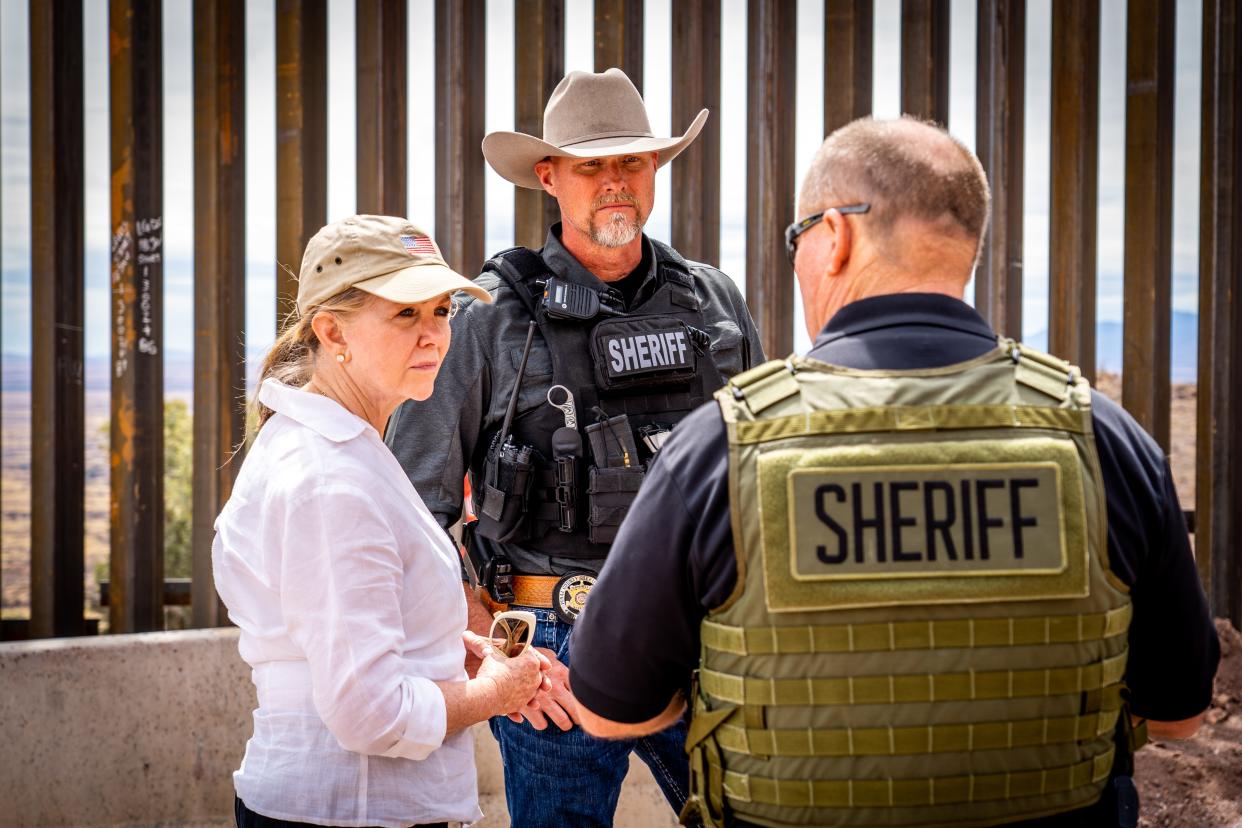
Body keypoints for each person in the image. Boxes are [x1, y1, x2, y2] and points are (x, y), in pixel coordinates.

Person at [569, 117, 1221, 828]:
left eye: (797, 241)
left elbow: (609, 707)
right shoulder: (1104, 440)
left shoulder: (719, 449)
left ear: (835, 237)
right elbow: (1180, 716)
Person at [385, 68, 764, 827]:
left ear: (655, 169)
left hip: (703, 633)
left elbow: (759, 468)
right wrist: (493, 650)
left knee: (746, 816)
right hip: (551, 642)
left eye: (631, 162)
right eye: (593, 165)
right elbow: (408, 502)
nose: (615, 183)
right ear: (550, 176)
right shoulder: (488, 317)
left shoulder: (713, 299)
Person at [213, 215, 549, 828]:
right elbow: (372, 714)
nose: (435, 337)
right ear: (331, 331)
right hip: (348, 812)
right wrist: (496, 692)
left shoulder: (336, 445)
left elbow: (348, 627)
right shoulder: (329, 481)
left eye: (441, 311)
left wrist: (446, 648)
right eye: (404, 314)